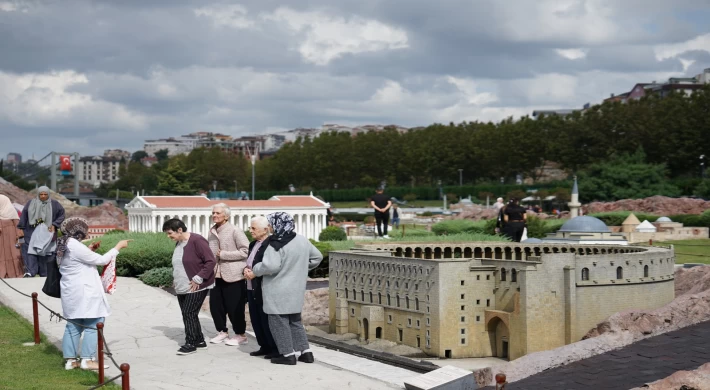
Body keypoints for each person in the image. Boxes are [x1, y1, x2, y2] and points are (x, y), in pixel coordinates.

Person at [244, 212, 323, 365]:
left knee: (278, 322)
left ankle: (288, 354)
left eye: (272, 224)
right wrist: (299, 268)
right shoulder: (301, 239)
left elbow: (271, 265)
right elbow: (317, 257)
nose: (270, 227)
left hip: (277, 290)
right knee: (295, 322)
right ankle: (306, 353)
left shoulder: (276, 243)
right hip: (296, 289)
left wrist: (256, 269)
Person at [57, 217, 131, 370]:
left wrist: (89, 250)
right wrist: (118, 247)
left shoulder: (63, 243)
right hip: (84, 291)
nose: (87, 232)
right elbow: (103, 260)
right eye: (85, 229)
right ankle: (87, 359)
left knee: (73, 324)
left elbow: (75, 260)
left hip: (71, 291)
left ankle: (71, 361)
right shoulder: (74, 245)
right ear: (78, 231)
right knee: (94, 322)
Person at [163, 218, 216, 356]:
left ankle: (190, 343)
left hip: (196, 285)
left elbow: (211, 261)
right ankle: (199, 341)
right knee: (188, 314)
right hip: (182, 285)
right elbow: (180, 263)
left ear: (179, 230)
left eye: (170, 233)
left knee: (189, 313)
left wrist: (198, 278)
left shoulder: (197, 240)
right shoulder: (179, 243)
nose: (169, 237)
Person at [207, 203, 250, 346]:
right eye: (213, 213)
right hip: (216, 274)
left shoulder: (235, 231)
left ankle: (240, 335)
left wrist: (224, 254)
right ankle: (222, 332)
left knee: (234, 307)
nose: (214, 215)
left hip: (234, 275)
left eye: (218, 213)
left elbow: (245, 251)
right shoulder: (212, 231)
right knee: (215, 306)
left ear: (226, 216)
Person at [244, 216, 278, 358]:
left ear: (265, 229)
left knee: (266, 319)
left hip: (263, 287)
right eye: (250, 228)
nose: (251, 231)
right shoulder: (253, 244)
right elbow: (250, 261)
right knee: (256, 318)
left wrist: (255, 273)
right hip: (251, 286)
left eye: (254, 228)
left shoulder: (271, 244)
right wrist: (245, 269)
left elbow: (270, 266)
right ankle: (263, 345)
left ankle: (273, 348)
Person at [17, 186, 65, 277]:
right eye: (41, 194)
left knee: (46, 252)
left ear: (48, 194)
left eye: (45, 194)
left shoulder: (55, 204)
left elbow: (61, 215)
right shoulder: (31, 203)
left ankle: (45, 274)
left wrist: (54, 224)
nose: (43, 196)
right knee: (30, 251)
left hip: (48, 233)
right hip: (31, 232)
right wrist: (21, 228)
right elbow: (24, 216)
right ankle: (31, 272)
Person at [0, 195, 24, 278]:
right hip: (1, 239)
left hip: (11, 237)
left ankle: (15, 273)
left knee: (13, 253)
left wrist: (19, 237)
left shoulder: (11, 212)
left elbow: (18, 227)